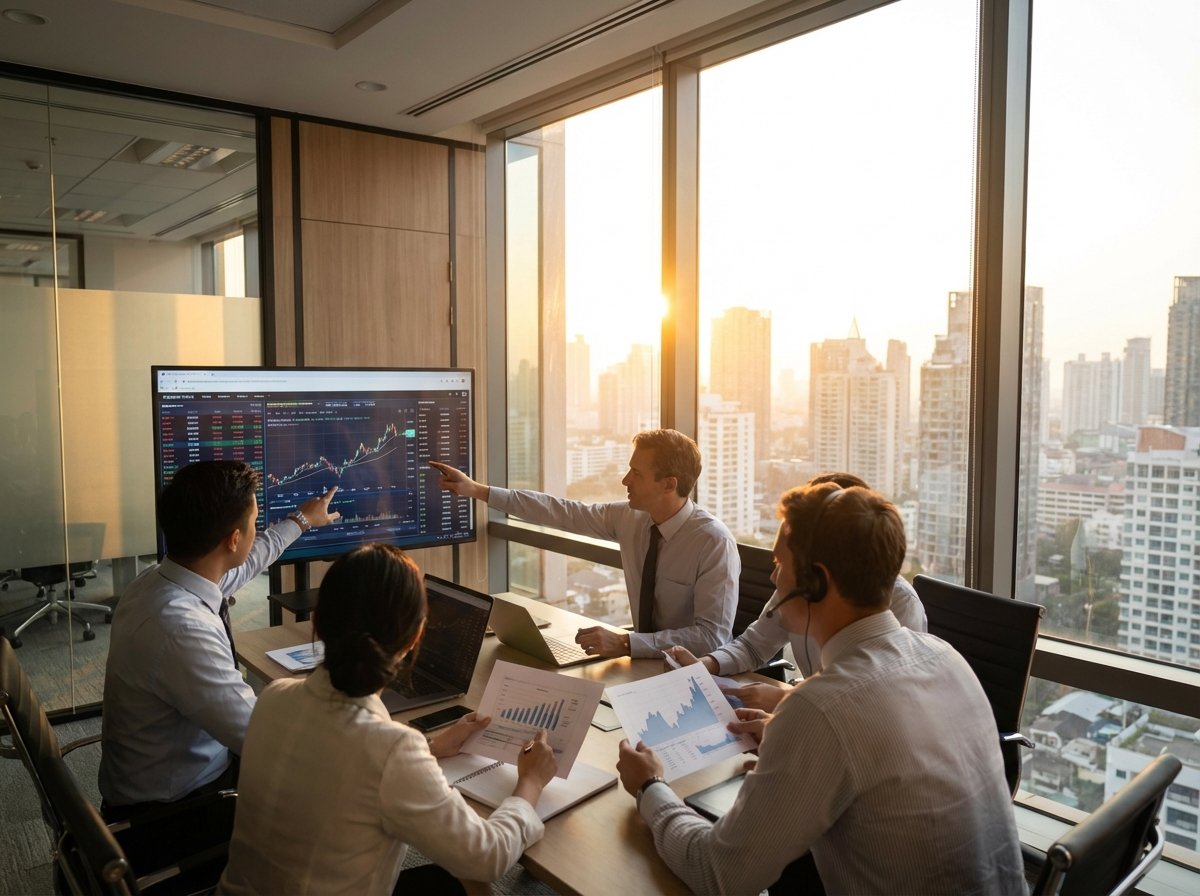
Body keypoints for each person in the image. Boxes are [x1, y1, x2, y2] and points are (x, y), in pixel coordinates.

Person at [616, 482, 1026, 895]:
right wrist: (786, 735)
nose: (774, 577)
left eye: (780, 564)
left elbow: (717, 875)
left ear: (815, 583)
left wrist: (651, 786)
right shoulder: (945, 656)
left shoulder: (820, 709)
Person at [218, 544, 557, 896]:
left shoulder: (273, 697)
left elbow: (344, 758)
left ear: (316, 622)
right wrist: (530, 782)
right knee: (471, 880)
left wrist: (433, 746)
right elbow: (489, 857)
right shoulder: (391, 750)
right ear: (414, 639)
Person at [99, 460, 340, 816]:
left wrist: (301, 521)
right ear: (233, 539)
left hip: (170, 772)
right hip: (174, 814)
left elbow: (249, 562)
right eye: (254, 523)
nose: (257, 531)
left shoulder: (159, 581)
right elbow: (262, 737)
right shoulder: (182, 629)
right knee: (324, 785)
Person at [431, 428, 739, 659]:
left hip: (691, 674)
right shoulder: (630, 518)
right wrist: (479, 491)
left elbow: (711, 638)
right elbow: (562, 512)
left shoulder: (712, 542)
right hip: (642, 664)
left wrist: (624, 643)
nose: (625, 481)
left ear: (669, 484)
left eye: (636, 473)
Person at [667, 472, 929, 711]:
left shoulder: (901, 604)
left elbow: (880, 706)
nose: (774, 577)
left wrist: (786, 701)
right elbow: (753, 645)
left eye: (781, 564)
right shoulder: (799, 586)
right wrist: (706, 665)